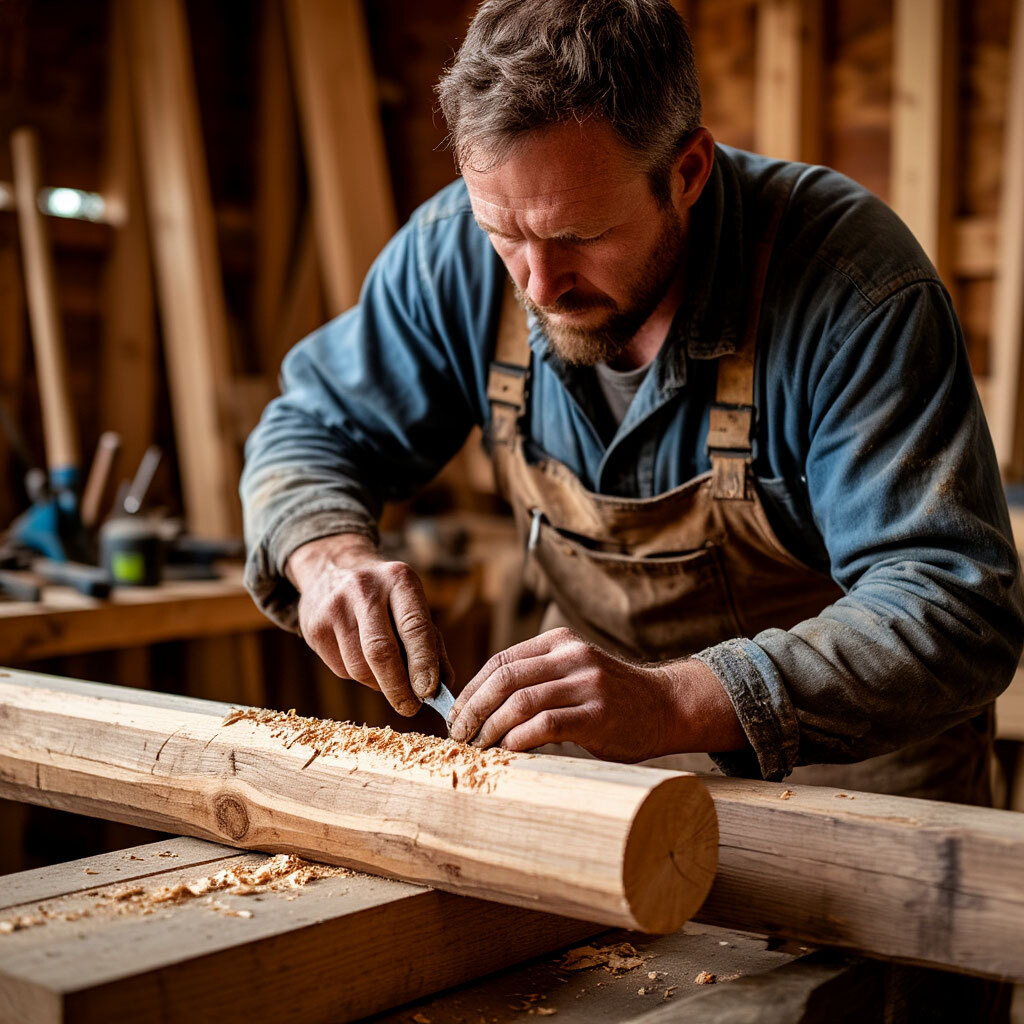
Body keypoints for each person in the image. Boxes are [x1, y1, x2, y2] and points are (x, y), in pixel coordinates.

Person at [241, 0, 1023, 806]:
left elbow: (952, 605)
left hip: (855, 788)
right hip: (600, 777)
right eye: (504, 234)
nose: (538, 286)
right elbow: (311, 428)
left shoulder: (850, 285)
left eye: (578, 234)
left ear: (686, 173)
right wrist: (328, 555)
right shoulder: (451, 253)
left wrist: (669, 701)